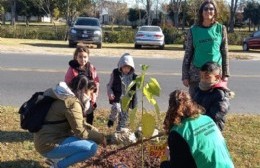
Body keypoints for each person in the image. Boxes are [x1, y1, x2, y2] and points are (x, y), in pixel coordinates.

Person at [34, 76, 106, 168]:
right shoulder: (72, 103)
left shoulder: (63, 96)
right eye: (90, 93)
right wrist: (100, 137)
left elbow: (78, 123)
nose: (91, 97)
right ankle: (58, 165)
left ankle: (55, 158)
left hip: (44, 139)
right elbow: (81, 132)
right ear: (83, 90)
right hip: (48, 145)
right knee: (91, 148)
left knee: (84, 138)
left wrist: (93, 130)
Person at [161, 90, 234, 168]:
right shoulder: (207, 119)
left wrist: (169, 158)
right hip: (227, 165)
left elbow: (179, 165)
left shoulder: (177, 132)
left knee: (164, 165)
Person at [182, 0, 230, 98]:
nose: (209, 11)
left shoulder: (221, 29)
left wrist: (225, 74)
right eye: (206, 9)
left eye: (211, 9)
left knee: (215, 103)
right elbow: (188, 54)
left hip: (215, 75)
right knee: (195, 105)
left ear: (215, 11)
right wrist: (185, 76)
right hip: (197, 74)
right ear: (201, 12)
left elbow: (224, 52)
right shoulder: (193, 30)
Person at [193, 61, 233, 131]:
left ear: (217, 77)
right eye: (201, 77)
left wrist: (196, 117)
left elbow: (215, 115)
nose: (203, 80)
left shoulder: (220, 94)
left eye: (207, 77)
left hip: (212, 128)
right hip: (197, 124)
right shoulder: (198, 89)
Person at [65, 45, 99, 125]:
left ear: (88, 57)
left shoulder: (90, 68)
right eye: (80, 57)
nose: (83, 59)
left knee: (90, 112)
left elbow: (96, 82)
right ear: (76, 57)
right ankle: (77, 128)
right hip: (77, 95)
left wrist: (94, 95)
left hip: (89, 95)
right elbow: (67, 84)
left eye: (85, 57)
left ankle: (89, 128)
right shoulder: (72, 69)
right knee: (77, 114)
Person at [106, 53, 137, 131]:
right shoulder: (116, 73)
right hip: (117, 97)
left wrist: (133, 100)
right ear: (121, 66)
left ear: (131, 68)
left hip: (126, 100)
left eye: (128, 68)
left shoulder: (134, 77)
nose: (126, 69)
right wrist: (110, 93)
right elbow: (109, 85)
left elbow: (134, 90)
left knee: (124, 115)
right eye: (124, 67)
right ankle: (112, 119)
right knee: (116, 108)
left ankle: (120, 129)